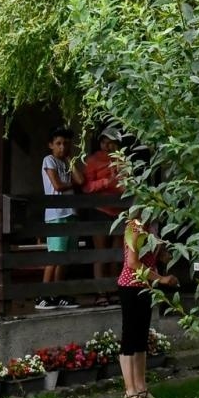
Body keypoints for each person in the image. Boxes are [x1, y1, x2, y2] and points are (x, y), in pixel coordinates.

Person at [118, 217, 176, 398]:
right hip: (130, 286)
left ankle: (141, 387)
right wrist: (161, 278)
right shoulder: (134, 227)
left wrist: (164, 254)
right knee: (130, 337)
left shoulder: (152, 227)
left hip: (146, 287)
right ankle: (130, 390)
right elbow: (132, 262)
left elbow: (150, 255)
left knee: (141, 338)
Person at [39, 126, 84, 309]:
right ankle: (43, 295)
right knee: (55, 255)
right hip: (56, 214)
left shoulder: (67, 162)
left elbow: (80, 180)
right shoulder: (48, 160)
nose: (62, 147)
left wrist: (70, 160)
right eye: (58, 143)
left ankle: (57, 293)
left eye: (65, 143)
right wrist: (71, 184)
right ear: (50, 145)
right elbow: (57, 185)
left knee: (66, 257)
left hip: (71, 212)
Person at [83, 127, 125, 298]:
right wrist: (106, 182)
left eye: (112, 143)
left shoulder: (122, 161)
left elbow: (127, 185)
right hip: (100, 210)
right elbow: (87, 187)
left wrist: (120, 182)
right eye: (104, 142)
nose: (108, 146)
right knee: (101, 253)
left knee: (116, 253)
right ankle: (101, 293)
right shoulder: (92, 161)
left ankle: (115, 290)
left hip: (120, 211)